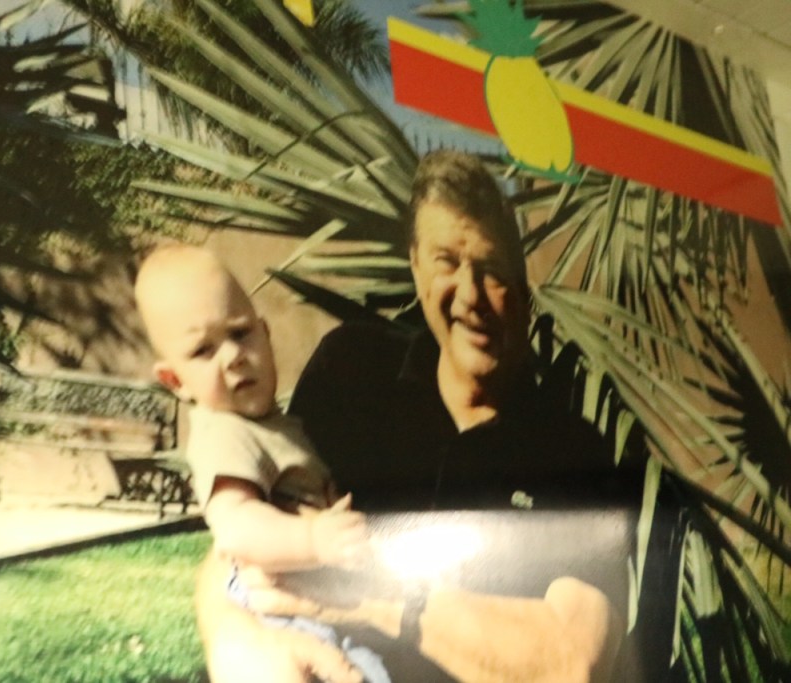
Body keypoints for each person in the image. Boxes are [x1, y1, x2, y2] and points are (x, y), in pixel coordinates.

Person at [195, 150, 667, 682]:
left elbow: (573, 663)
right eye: (447, 262)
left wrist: (368, 599)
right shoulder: (349, 372)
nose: (470, 296)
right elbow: (238, 541)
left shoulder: (574, 451)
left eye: (491, 270)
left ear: (522, 289)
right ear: (417, 268)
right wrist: (236, 640)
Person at [133, 244, 389, 683]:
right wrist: (313, 539)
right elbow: (236, 527)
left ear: (265, 334)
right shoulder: (223, 434)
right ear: (174, 380)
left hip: (315, 596)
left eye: (240, 333)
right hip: (281, 608)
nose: (232, 356)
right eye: (203, 350)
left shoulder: (270, 425)